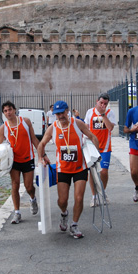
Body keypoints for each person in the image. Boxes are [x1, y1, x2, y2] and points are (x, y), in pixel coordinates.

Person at [38, 100, 99, 239]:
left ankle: (74, 225)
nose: (60, 116)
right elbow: (41, 144)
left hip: (80, 167)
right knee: (62, 200)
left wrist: (96, 155)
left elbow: (93, 137)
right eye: (57, 114)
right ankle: (64, 213)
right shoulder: (53, 128)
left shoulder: (77, 123)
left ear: (67, 111)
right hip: (63, 169)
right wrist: (42, 158)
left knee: (79, 197)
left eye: (62, 113)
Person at [0, 101, 39, 224]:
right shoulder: (3, 128)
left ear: (14, 110)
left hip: (27, 158)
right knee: (15, 185)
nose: (8, 112)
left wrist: (42, 155)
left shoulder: (25, 122)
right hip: (13, 161)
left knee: (29, 186)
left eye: (9, 109)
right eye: (5, 111)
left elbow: (34, 139)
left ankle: (32, 199)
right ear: (3, 113)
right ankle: (17, 213)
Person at [84, 93, 116, 206]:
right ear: (97, 102)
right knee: (92, 172)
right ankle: (94, 196)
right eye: (101, 103)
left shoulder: (109, 113)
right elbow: (86, 128)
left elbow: (110, 127)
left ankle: (102, 191)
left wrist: (103, 115)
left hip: (105, 147)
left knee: (103, 171)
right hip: (92, 147)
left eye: (105, 104)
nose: (103, 105)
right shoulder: (90, 112)